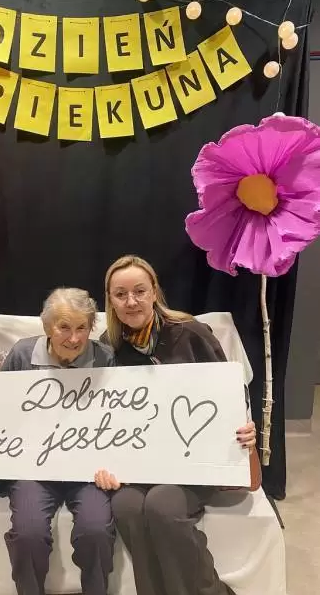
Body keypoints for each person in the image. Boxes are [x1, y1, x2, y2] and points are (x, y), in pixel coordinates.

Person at [94, 255, 257, 595]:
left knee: (162, 506)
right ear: (110, 300)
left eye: (140, 291)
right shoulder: (108, 349)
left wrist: (245, 428)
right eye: (120, 294)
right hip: (140, 466)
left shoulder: (191, 333)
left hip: (192, 463)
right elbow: (102, 417)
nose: (131, 301)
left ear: (154, 292)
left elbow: (229, 394)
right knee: (126, 506)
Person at [0, 288, 116, 595]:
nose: (74, 338)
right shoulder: (23, 354)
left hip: (87, 470)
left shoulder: (105, 357)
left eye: (82, 327)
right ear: (47, 326)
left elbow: (120, 419)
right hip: (32, 467)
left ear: (91, 327)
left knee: (96, 531)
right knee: (28, 534)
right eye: (64, 327)